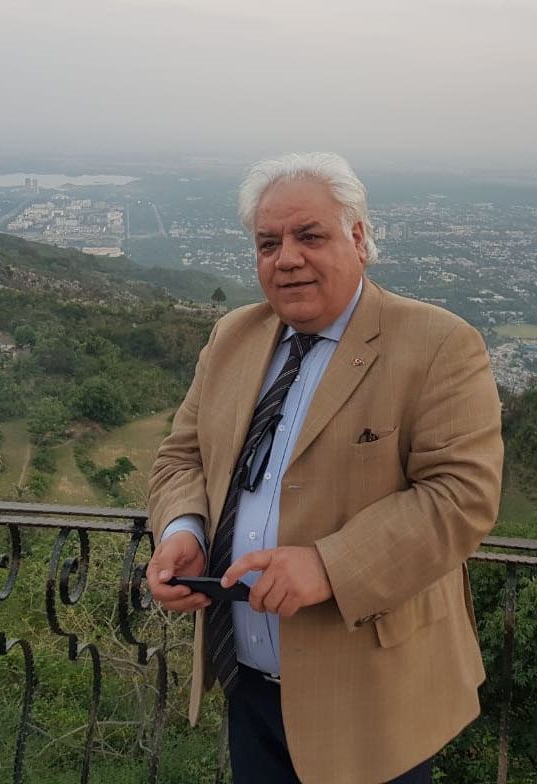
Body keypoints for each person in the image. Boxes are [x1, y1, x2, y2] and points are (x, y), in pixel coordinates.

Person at [147, 152, 503, 784]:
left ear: (358, 238)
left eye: (309, 236)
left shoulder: (437, 344)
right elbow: (182, 457)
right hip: (247, 685)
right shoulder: (232, 337)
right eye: (268, 243)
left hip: (370, 696)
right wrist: (184, 531)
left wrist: (328, 565)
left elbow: (460, 497)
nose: (286, 258)